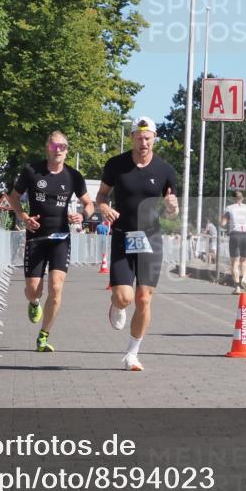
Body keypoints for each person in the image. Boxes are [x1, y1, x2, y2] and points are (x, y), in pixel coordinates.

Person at [96, 116, 179, 371]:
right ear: (132, 137)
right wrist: (103, 207)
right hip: (123, 236)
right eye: (139, 137)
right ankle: (116, 305)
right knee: (125, 297)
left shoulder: (165, 171)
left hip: (151, 238)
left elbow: (171, 211)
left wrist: (172, 209)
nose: (143, 142)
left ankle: (132, 353)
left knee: (144, 299)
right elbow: (101, 195)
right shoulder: (116, 165)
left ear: (154, 138)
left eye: (148, 138)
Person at [9, 131, 94, 352]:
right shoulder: (31, 171)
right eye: (55, 146)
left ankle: (44, 335)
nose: (59, 150)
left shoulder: (74, 176)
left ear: (67, 150)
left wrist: (83, 216)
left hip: (60, 238)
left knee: (56, 288)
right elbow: (14, 198)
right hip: (36, 237)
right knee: (33, 290)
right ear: (48, 147)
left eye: (63, 147)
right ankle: (35, 303)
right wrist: (24, 217)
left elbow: (89, 204)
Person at [221, 191, 246, 292]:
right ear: (242, 198)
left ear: (233, 199)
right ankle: (245, 278)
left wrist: (225, 219)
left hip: (235, 234)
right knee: (244, 260)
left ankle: (237, 286)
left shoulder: (229, 208)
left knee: (235, 263)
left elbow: (223, 223)